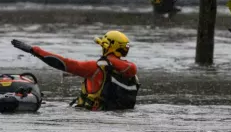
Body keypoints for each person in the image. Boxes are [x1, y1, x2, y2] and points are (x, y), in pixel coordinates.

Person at [11, 30, 140, 111]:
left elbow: (63, 63)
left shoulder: (95, 67)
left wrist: (35, 51)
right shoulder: (131, 72)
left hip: (92, 116)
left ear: (107, 46)